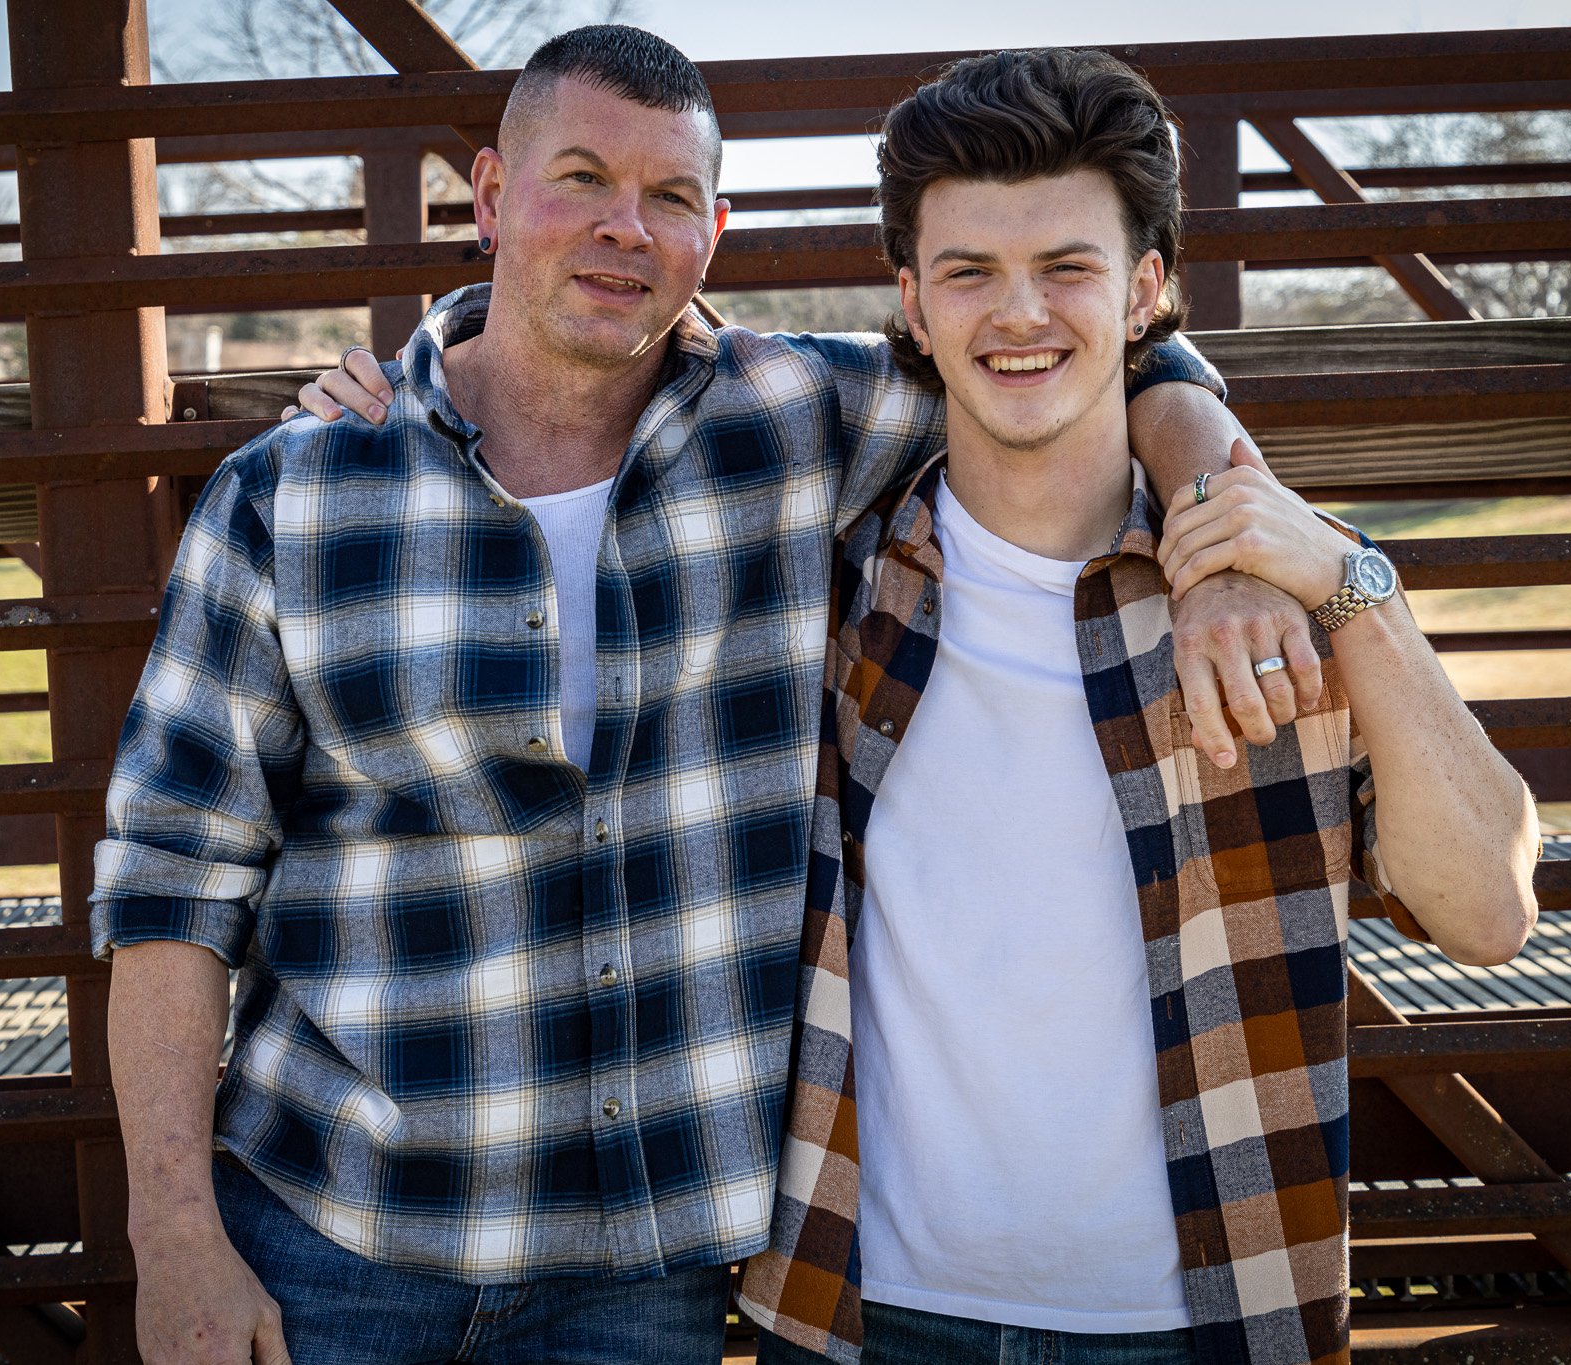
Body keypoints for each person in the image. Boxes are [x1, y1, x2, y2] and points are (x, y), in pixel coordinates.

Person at [99, 25, 1314, 1365]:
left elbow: (1094, 353)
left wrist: (1216, 529)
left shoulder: (801, 418)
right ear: (495, 200)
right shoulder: (297, 492)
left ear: (713, 232)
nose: (627, 229)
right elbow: (170, 886)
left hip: (644, 1272)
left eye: (671, 196)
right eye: (582, 179)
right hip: (335, 1240)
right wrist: (175, 1238)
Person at [713, 48, 1537, 1365]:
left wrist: (1353, 589)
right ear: (912, 304)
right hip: (865, 1310)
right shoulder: (832, 585)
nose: (1017, 313)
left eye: (1069, 268)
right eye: (970, 270)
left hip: (1200, 1321)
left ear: (1149, 289)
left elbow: (1490, 909)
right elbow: (587, 342)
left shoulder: (1282, 595)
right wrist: (413, 376)